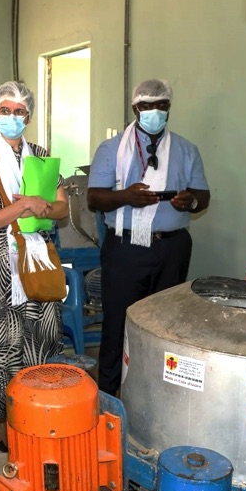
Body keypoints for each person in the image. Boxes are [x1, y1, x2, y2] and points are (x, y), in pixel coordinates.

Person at [86, 79, 210, 396]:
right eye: (146, 106)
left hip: (172, 248)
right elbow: (95, 199)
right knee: (118, 324)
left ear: (169, 108)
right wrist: (126, 196)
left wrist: (190, 201)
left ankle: (156, 397)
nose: (154, 112)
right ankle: (109, 397)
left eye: (161, 106)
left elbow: (203, 196)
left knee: (166, 326)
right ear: (134, 108)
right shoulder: (111, 149)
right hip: (126, 249)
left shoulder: (186, 149)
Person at [0, 81, 68, 449]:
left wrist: (43, 205)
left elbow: (61, 208)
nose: (12, 117)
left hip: (37, 256)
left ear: (29, 116)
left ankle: (32, 417)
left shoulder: (40, 156)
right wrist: (24, 205)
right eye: (5, 110)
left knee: (39, 340)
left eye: (19, 111)